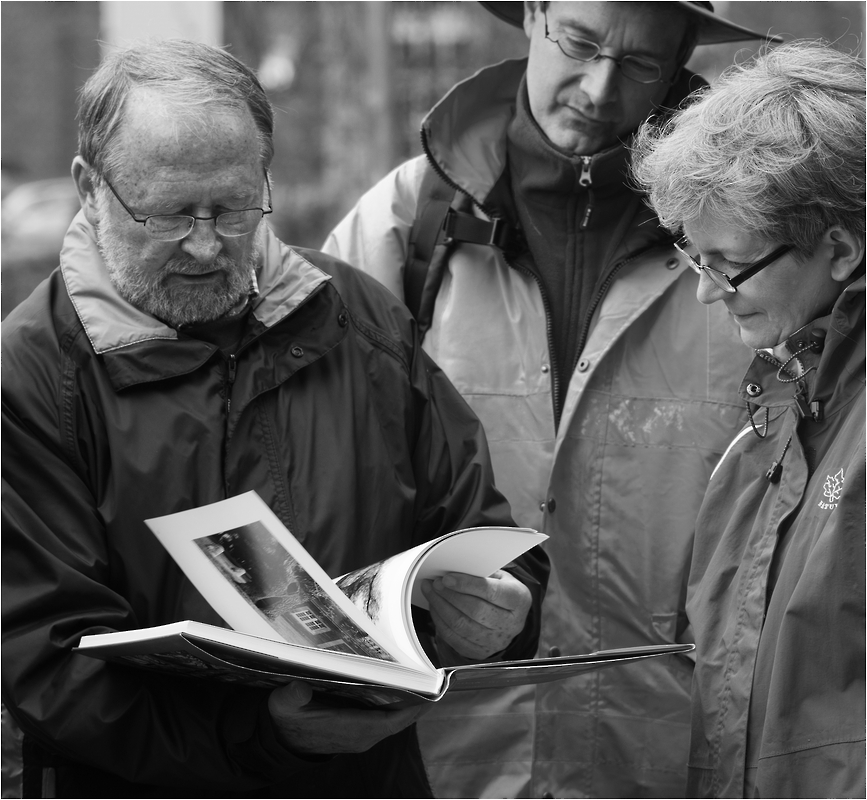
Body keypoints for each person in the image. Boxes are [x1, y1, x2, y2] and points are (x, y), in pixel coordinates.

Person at [0, 39, 549, 799]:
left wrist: (502, 609)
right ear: (90, 188)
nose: (204, 243)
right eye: (168, 215)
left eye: (231, 209)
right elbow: (45, 663)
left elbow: (475, 530)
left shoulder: (357, 316)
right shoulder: (31, 375)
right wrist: (266, 739)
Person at [322, 2, 778, 796]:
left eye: (638, 65)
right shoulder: (402, 227)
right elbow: (317, 478)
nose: (599, 88)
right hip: (437, 750)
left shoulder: (751, 244)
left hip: (665, 757)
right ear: (532, 11)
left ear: (679, 63)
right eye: (579, 42)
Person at [631, 41, 865, 798]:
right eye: (691, 259)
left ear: (839, 248)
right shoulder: (766, 431)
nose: (705, 294)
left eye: (725, 264)